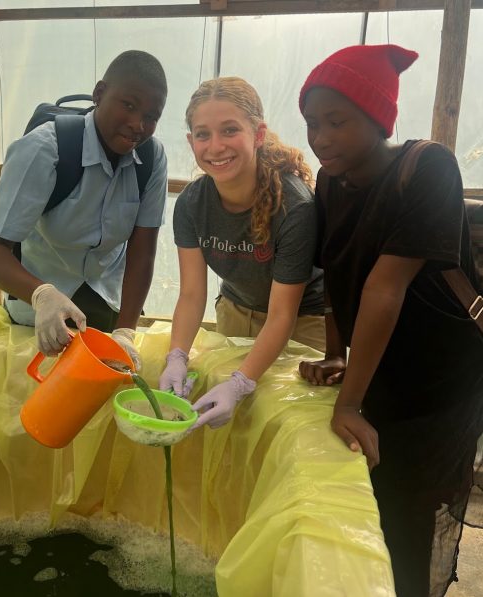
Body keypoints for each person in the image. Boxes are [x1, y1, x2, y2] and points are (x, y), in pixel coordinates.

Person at [297, 44, 483, 597]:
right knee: (373, 496)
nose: (320, 137)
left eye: (337, 120)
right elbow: (335, 269)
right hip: (383, 369)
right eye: (311, 122)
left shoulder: (428, 167)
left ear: (379, 119)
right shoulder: (330, 181)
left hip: (441, 379)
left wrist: (349, 402)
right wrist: (336, 353)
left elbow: (384, 285)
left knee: (411, 507)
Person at [0, 50, 168, 368]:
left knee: (99, 399)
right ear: (100, 93)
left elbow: (142, 252)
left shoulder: (151, 159)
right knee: (35, 392)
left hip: (107, 306)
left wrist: (124, 332)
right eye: (129, 106)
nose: (138, 124)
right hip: (37, 310)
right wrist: (42, 295)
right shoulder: (44, 150)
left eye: (151, 116)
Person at [159, 76, 324, 429]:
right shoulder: (191, 204)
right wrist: (177, 356)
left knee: (289, 424)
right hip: (236, 311)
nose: (215, 146)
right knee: (234, 429)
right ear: (191, 142)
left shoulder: (294, 208)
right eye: (203, 134)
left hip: (304, 324)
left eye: (230, 130)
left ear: (258, 134)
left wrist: (239, 383)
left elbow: (282, 315)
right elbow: (190, 294)